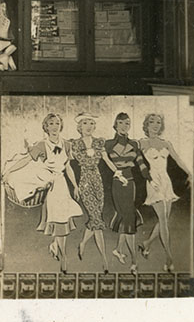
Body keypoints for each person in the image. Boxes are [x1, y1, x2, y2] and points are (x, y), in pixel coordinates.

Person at [3, 113, 82, 273]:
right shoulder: (41, 145)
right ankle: (64, 257)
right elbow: (26, 160)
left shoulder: (66, 144)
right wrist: (9, 171)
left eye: (57, 123)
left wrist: (75, 186)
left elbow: (67, 167)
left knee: (63, 219)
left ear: (61, 126)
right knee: (60, 218)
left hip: (62, 184)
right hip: (50, 184)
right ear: (45, 127)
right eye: (51, 123)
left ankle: (55, 245)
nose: (54, 126)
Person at [69, 112, 129, 273]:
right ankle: (105, 260)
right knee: (97, 218)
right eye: (85, 123)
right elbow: (65, 163)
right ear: (79, 127)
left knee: (95, 218)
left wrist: (119, 174)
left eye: (91, 123)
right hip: (85, 182)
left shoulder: (99, 142)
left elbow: (107, 161)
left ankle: (82, 243)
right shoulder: (73, 144)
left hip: (97, 181)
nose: (89, 127)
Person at [137, 113, 192, 272]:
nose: (155, 125)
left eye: (158, 122)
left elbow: (178, 159)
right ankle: (169, 258)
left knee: (164, 219)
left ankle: (146, 244)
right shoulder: (142, 142)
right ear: (146, 124)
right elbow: (132, 156)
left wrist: (190, 172)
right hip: (153, 181)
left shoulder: (166, 143)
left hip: (166, 182)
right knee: (163, 219)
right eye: (152, 122)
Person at [105, 112, 151, 273]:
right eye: (121, 123)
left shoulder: (134, 144)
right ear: (115, 125)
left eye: (127, 123)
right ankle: (134, 261)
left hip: (131, 184)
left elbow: (140, 163)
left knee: (127, 217)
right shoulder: (108, 144)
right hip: (117, 184)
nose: (125, 126)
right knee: (128, 218)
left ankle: (118, 249)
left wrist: (149, 178)